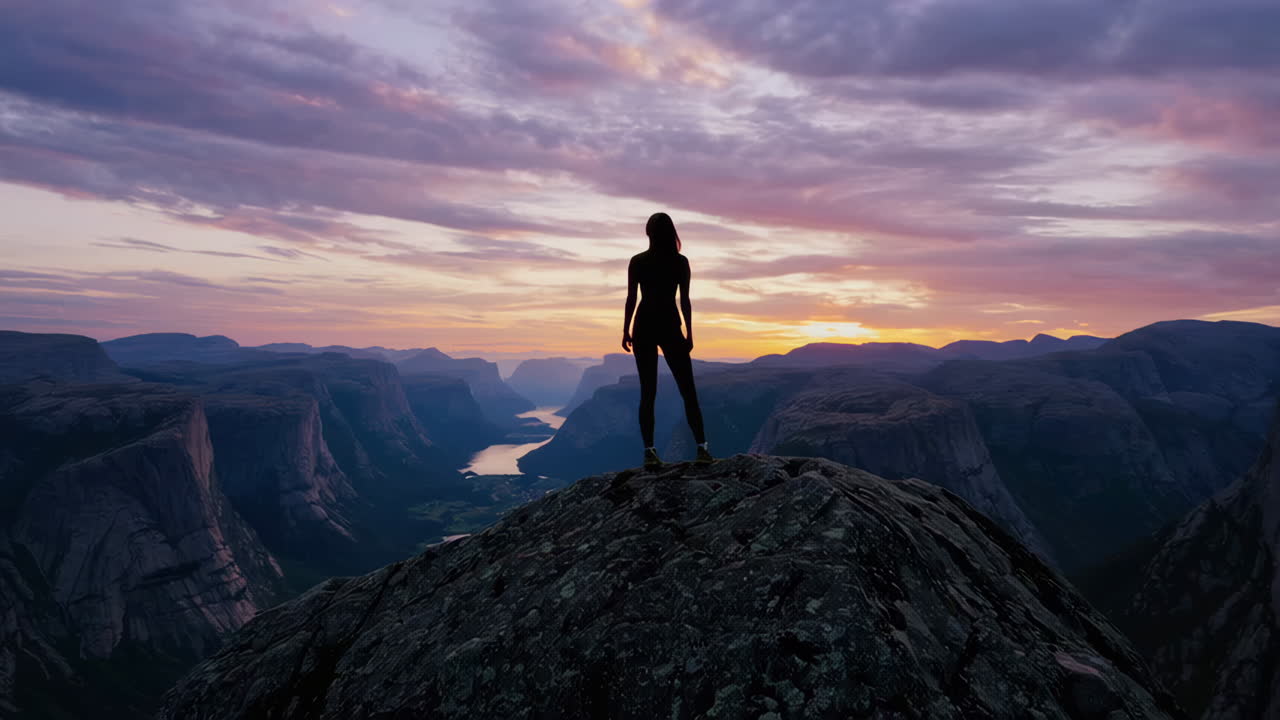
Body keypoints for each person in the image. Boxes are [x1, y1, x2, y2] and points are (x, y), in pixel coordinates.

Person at [621, 212, 712, 470]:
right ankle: (702, 449)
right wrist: (690, 333)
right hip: (670, 325)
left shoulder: (638, 261)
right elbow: (685, 300)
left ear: (648, 233)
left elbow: (632, 299)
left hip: (644, 325)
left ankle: (649, 453)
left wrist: (625, 330)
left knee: (647, 392)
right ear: (671, 232)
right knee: (688, 390)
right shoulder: (680, 262)